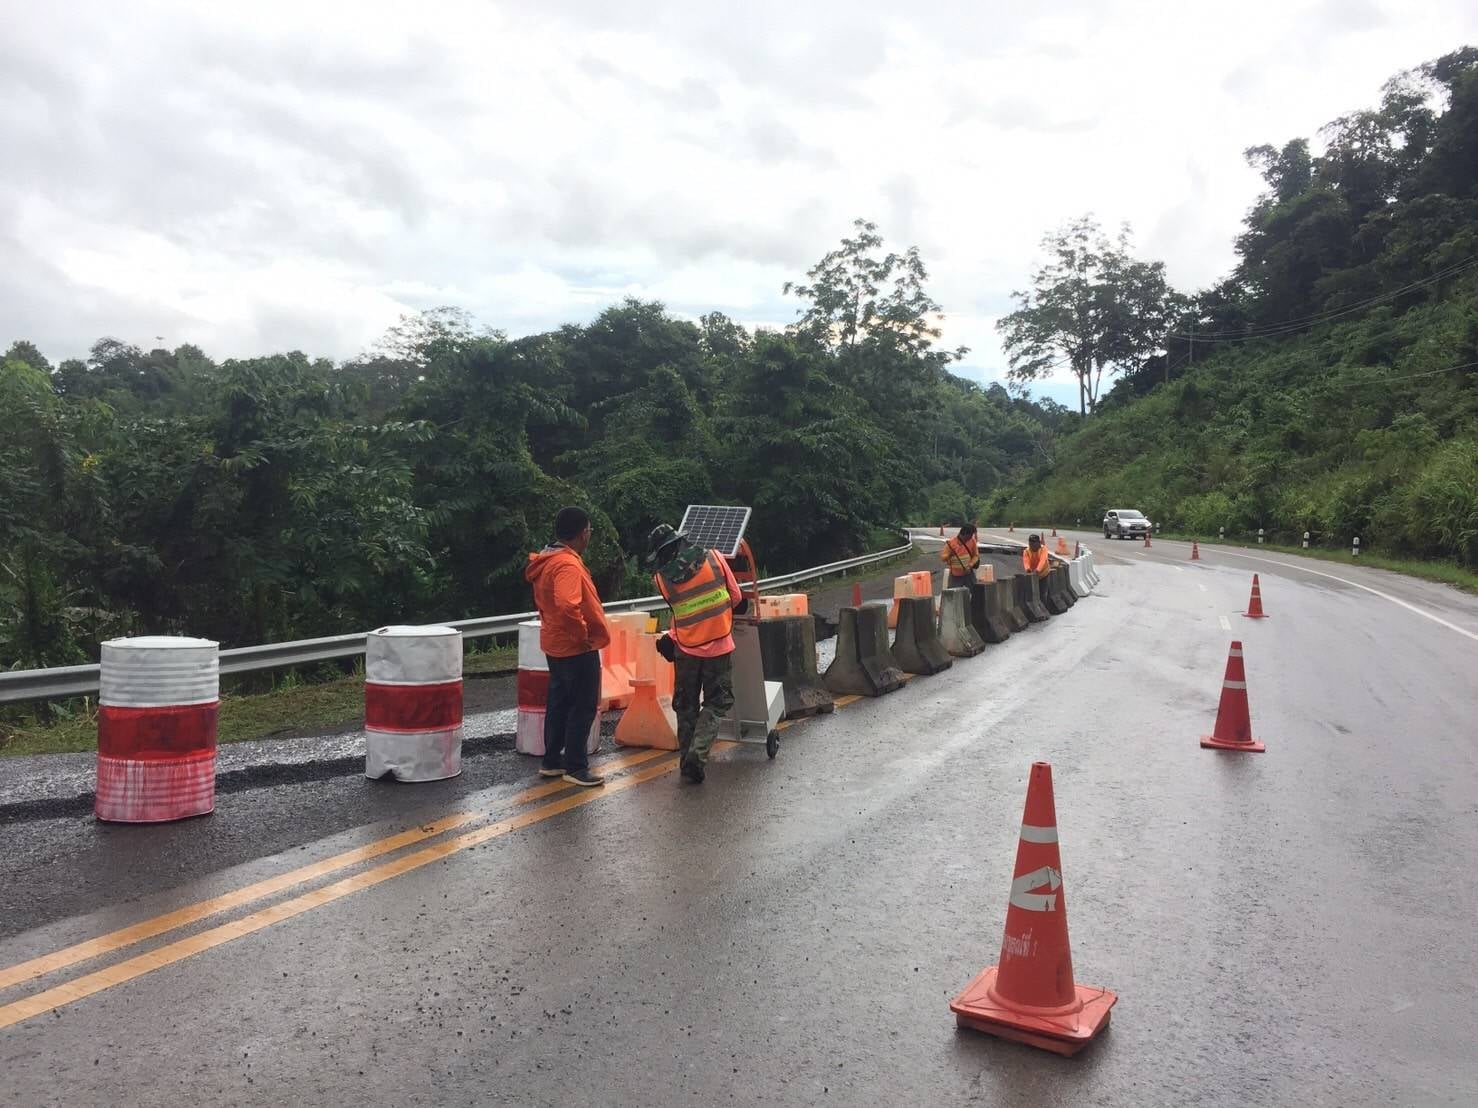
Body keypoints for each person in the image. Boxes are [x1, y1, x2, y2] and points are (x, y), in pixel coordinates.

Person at [648, 522, 746, 784]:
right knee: (717, 701)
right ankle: (698, 753)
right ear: (680, 541)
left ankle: (686, 762)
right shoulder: (714, 557)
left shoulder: (661, 580)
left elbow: (680, 613)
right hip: (719, 645)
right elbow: (736, 597)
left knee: (686, 705)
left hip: (686, 649)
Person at [524, 507, 611, 788]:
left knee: (559, 702)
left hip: (555, 644)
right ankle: (576, 766)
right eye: (590, 531)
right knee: (582, 706)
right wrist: (581, 635)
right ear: (583, 533)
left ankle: (552, 760)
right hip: (575, 647)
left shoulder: (547, 559)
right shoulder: (567, 565)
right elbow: (567, 605)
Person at [941, 523, 980, 587]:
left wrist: (970, 565)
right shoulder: (951, 543)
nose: (971, 537)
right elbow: (943, 558)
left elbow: (976, 556)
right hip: (955, 576)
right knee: (953, 592)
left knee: (974, 591)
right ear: (964, 534)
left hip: (969, 575)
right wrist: (950, 555)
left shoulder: (972, 541)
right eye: (970, 536)